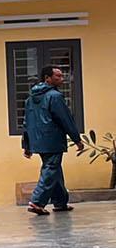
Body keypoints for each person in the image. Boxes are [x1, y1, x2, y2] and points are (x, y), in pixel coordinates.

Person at [21, 64, 85, 215]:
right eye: (58, 76)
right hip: (53, 140)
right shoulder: (55, 96)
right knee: (50, 169)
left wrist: (27, 145)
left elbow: (27, 122)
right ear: (47, 78)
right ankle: (37, 202)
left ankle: (60, 202)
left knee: (54, 169)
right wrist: (76, 139)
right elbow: (65, 119)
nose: (62, 79)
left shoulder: (30, 99)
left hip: (38, 141)